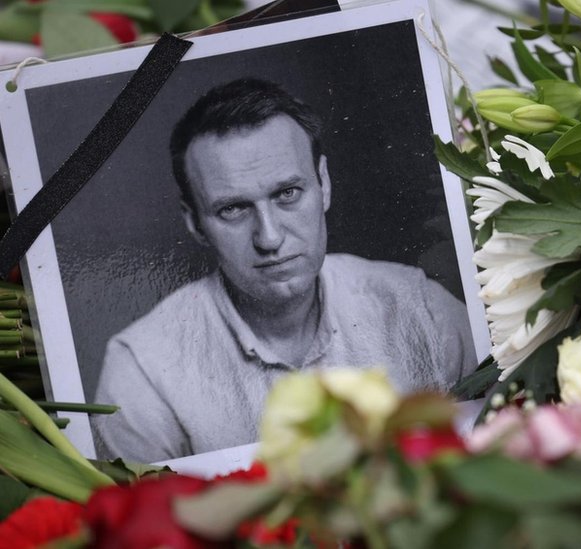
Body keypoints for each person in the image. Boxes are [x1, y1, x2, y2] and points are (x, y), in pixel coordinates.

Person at [93, 78, 477, 463]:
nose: (270, 237)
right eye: (233, 209)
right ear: (194, 222)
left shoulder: (424, 310)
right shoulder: (141, 371)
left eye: (287, 194)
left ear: (324, 184)